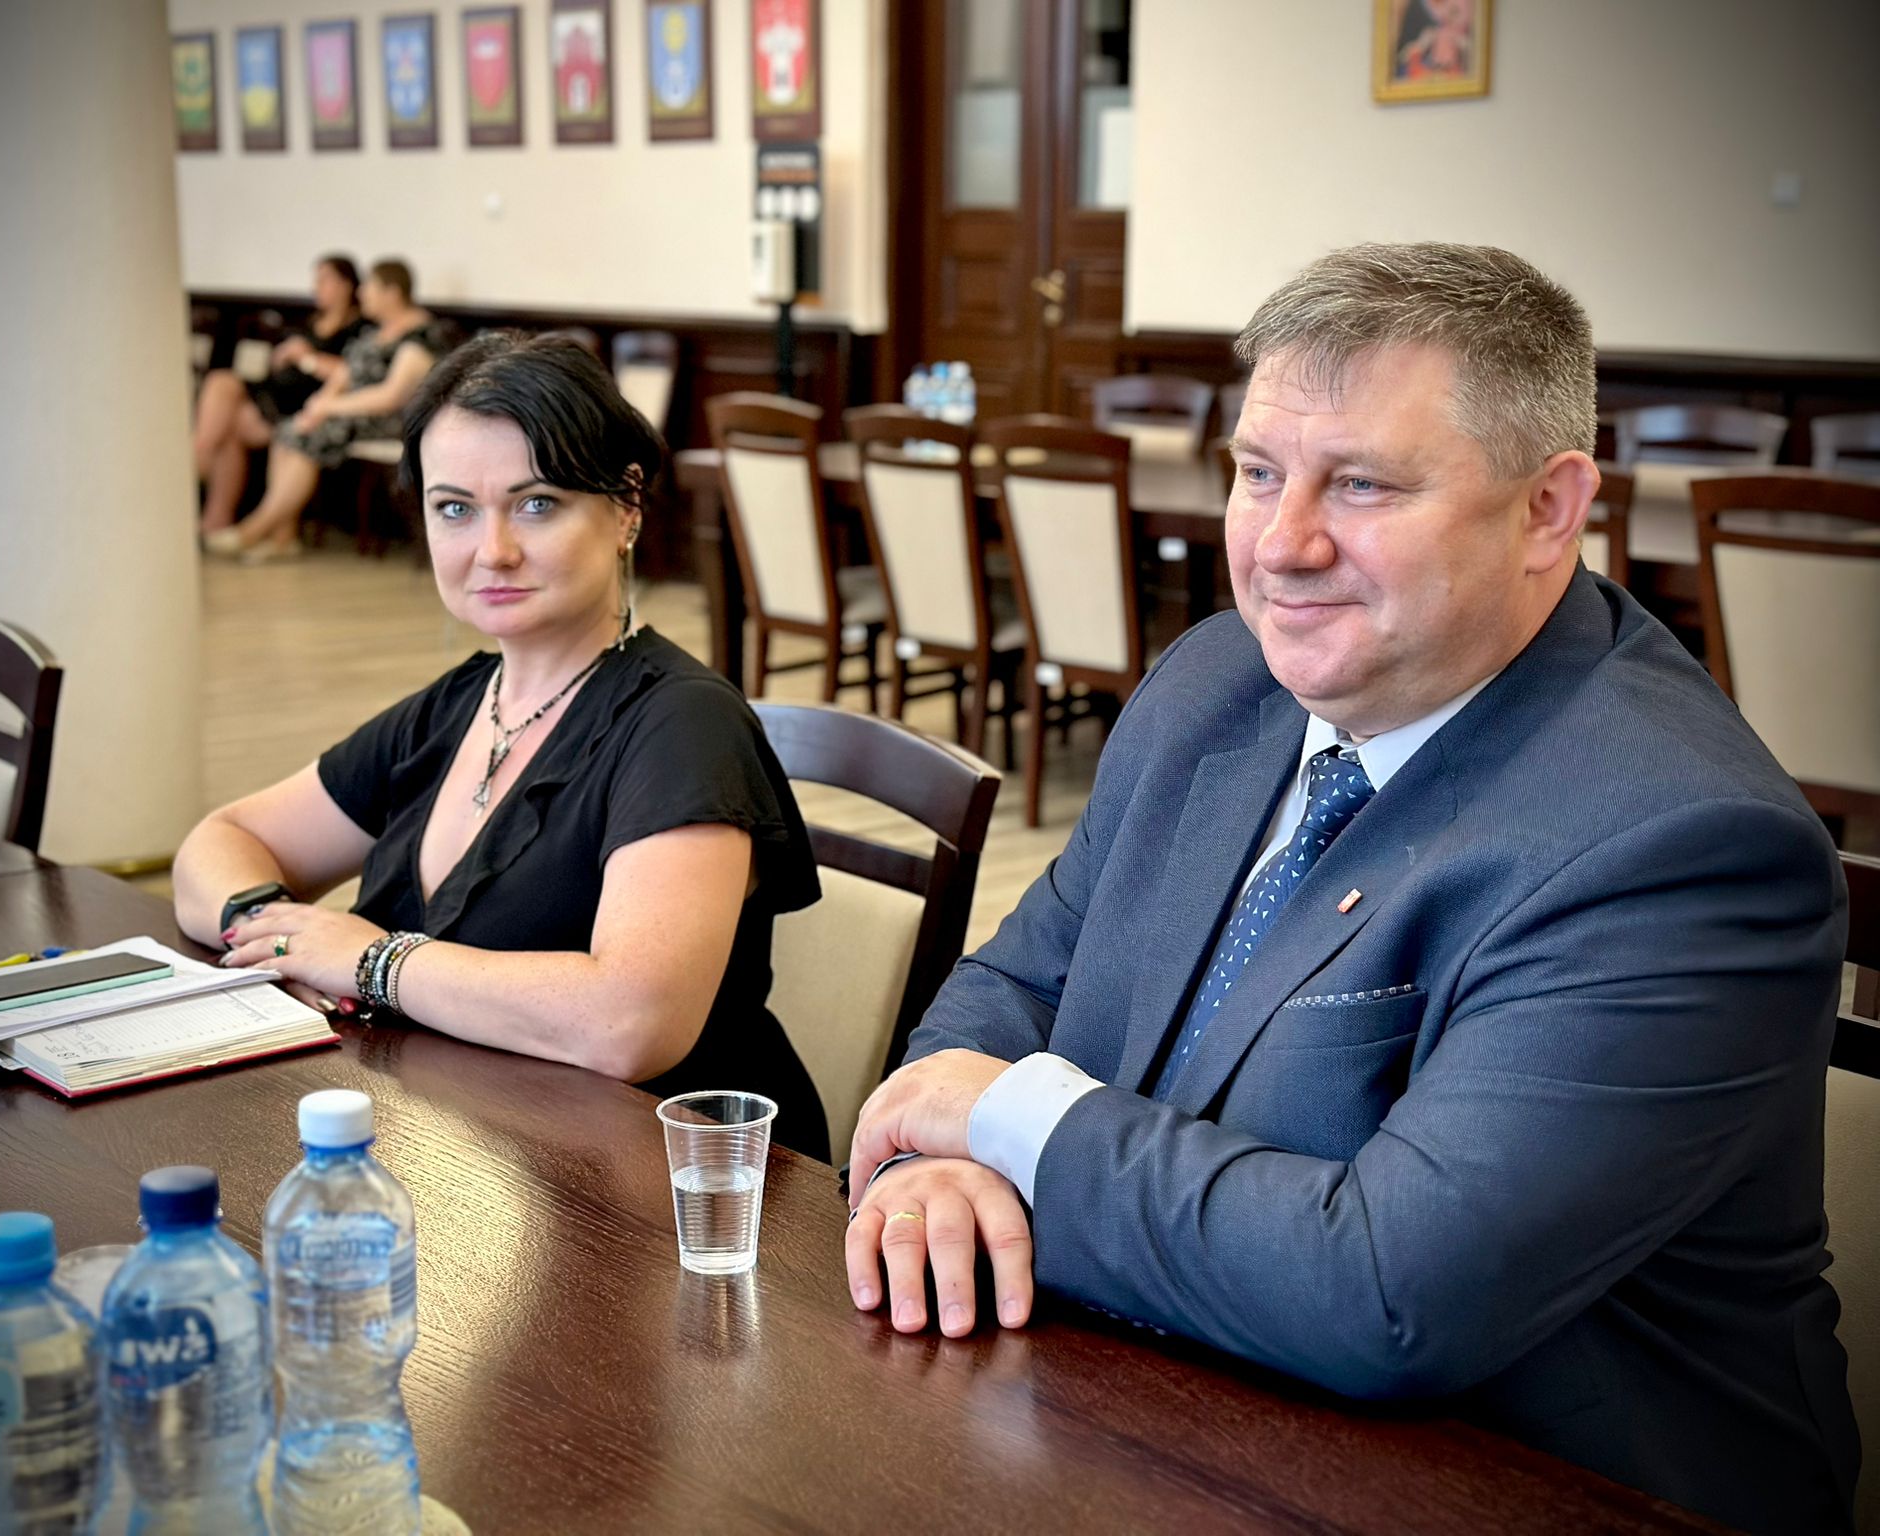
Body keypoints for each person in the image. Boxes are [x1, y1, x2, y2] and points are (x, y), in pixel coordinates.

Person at [840, 243, 1855, 1533]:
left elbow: (1384, 1293)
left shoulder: (1679, 848)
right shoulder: (1219, 682)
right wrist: (941, 1166)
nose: (1281, 544)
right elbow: (1016, 983)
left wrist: (1007, 1123)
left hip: (1529, 1491)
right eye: (1257, 472)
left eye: (1361, 484)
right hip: (1154, 1427)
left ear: (1548, 509)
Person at [172, 331, 831, 1159]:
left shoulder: (684, 725)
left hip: (668, 1192)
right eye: (455, 508)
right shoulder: (459, 704)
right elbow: (221, 840)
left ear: (626, 506)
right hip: (461, 1156)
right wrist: (273, 935)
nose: (493, 551)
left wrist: (372, 962)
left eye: (536, 503)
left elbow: (630, 1023)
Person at [203, 259, 448, 563]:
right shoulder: (376, 332)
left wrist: (330, 407)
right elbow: (345, 375)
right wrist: (317, 406)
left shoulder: (419, 337)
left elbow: (390, 396)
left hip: (388, 421)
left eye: (370, 287)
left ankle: (251, 531)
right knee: (292, 429)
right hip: (350, 413)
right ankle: (282, 537)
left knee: (309, 437)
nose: (363, 293)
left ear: (392, 292)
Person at [193, 254, 371, 535]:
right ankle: (215, 518)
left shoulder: (359, 330)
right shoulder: (309, 322)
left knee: (223, 389)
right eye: (316, 280)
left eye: (324, 280)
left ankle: (195, 459)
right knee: (223, 396)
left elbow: (349, 373)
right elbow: (281, 364)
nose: (317, 287)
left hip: (301, 405)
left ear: (346, 284)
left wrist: (306, 358)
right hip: (273, 393)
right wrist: (284, 356)